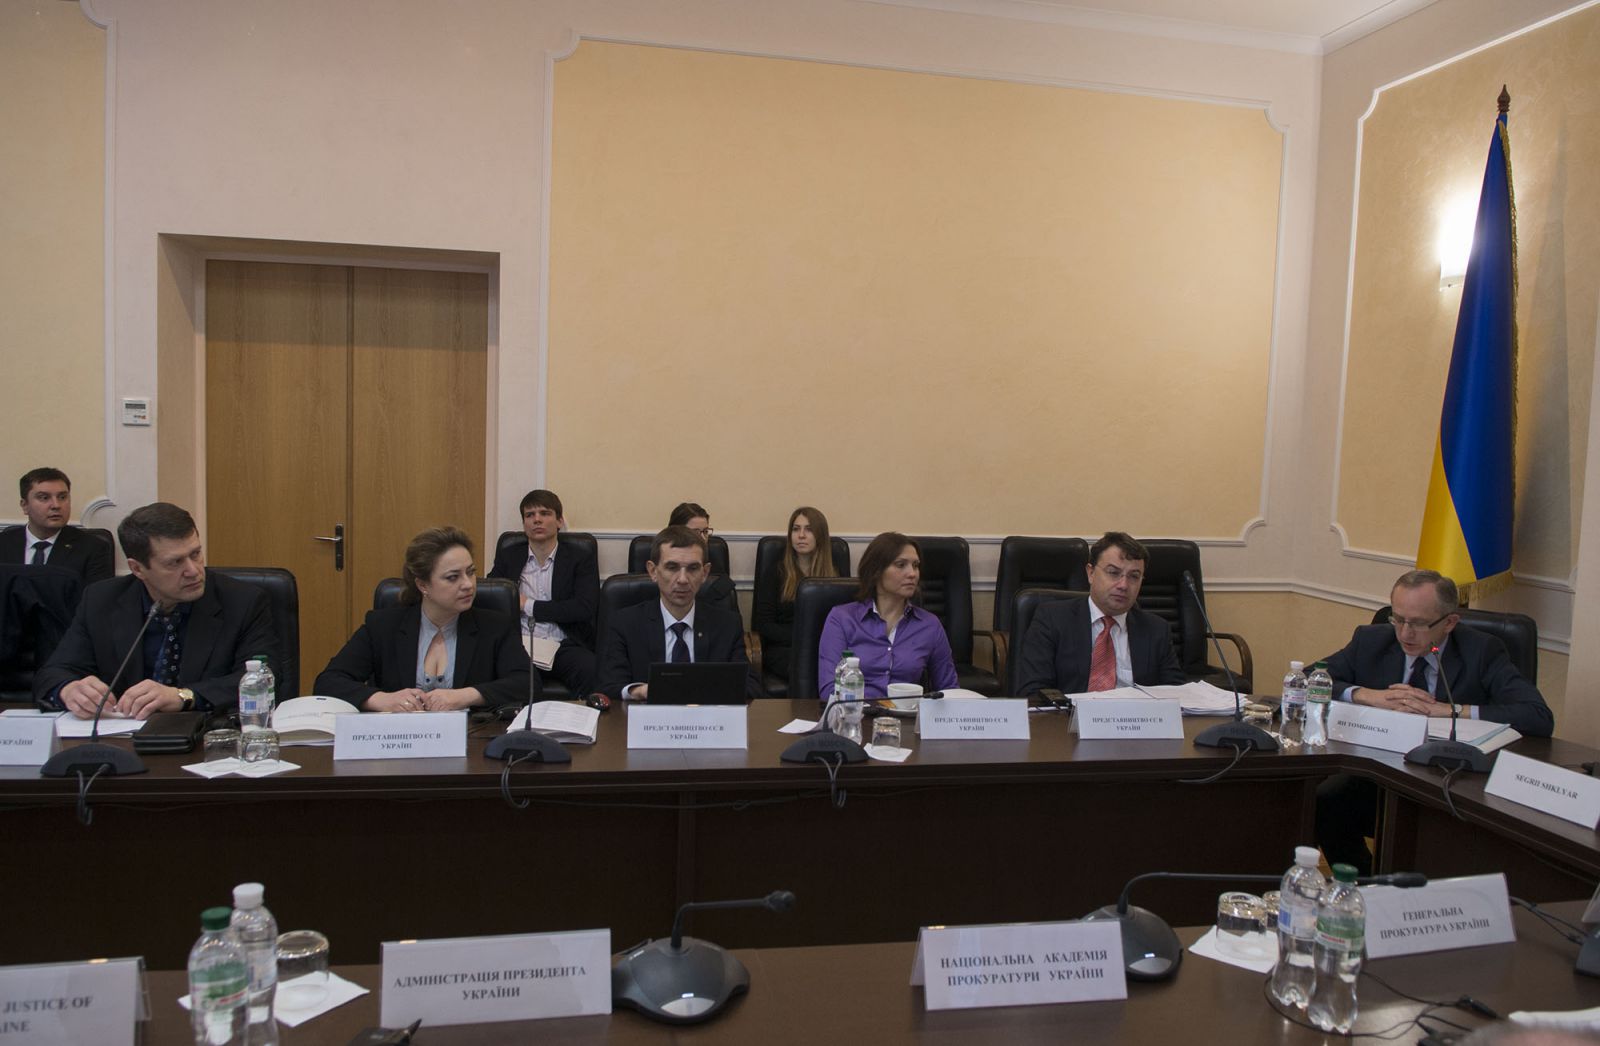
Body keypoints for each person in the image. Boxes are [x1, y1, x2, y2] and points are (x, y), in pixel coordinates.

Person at [1315, 568, 1554, 875]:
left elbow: (1537, 716)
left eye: (1418, 623)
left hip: (1451, 781)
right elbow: (1310, 678)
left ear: (1449, 622)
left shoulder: (1482, 651)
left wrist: (1452, 710)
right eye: (1398, 619)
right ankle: (1362, 881)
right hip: (1380, 770)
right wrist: (1365, 695)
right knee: (1325, 800)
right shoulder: (1371, 640)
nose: (1405, 633)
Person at [33, 502, 278, 718]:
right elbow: (54, 672)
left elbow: (266, 679)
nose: (193, 570)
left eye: (195, 554)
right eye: (175, 562)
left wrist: (184, 696)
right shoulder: (101, 600)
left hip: (206, 737)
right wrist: (68, 689)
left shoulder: (242, 601)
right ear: (137, 569)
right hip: (121, 739)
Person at [316, 527, 528, 712]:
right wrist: (383, 700)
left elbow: (527, 683)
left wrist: (465, 696)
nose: (468, 584)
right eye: (453, 577)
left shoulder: (494, 626)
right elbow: (328, 682)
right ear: (423, 585)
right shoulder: (383, 626)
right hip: (399, 738)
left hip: (471, 738)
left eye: (470, 572)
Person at [1014, 531, 1185, 696]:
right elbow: (1034, 691)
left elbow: (1175, 695)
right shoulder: (1052, 619)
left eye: (1134, 576)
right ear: (1091, 573)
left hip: (1137, 715)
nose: (1123, 585)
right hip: (1071, 715)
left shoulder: (1156, 630)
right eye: (1113, 573)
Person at [598, 526, 757, 701]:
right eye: (672, 567)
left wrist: (704, 692)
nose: (682, 579)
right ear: (653, 571)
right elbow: (609, 686)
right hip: (647, 715)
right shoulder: (625, 623)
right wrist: (640, 691)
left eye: (693, 568)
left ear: (705, 573)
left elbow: (750, 687)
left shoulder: (727, 624)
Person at [817, 532, 957, 700]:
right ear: (876, 571)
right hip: (855, 713)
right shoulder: (842, 618)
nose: (912, 574)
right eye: (901, 565)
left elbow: (949, 690)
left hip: (908, 714)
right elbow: (829, 689)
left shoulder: (930, 625)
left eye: (915, 565)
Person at [488, 489, 599, 695]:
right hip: (521, 644)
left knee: (591, 671)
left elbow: (583, 608)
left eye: (545, 513)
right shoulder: (509, 555)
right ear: (524, 524)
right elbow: (494, 598)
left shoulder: (580, 557)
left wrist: (527, 605)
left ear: (559, 521)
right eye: (530, 515)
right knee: (522, 682)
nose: (537, 520)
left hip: (564, 643)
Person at [752, 506, 840, 682]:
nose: (801, 535)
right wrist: (803, 638)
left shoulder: (835, 574)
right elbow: (763, 624)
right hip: (784, 648)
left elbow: (842, 619)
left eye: (809, 530)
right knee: (805, 668)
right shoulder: (776, 572)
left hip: (824, 646)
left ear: (820, 535)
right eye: (795, 529)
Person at [2, 467, 114, 582]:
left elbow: (96, 593)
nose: (56, 505)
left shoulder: (92, 548)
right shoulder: (3, 543)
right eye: (44, 498)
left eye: (62, 497)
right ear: (25, 505)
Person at [667, 502, 740, 621]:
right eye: (695, 532)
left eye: (705, 532)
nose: (702, 538)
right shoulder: (660, 561)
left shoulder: (714, 561)